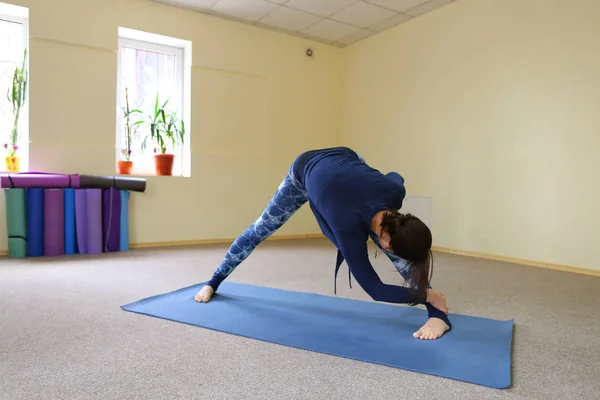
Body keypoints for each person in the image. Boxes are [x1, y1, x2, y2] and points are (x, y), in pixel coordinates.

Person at [194, 146, 451, 340]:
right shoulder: (347, 229)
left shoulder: (394, 192)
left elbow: (396, 175)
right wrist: (425, 293)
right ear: (386, 243)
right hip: (304, 171)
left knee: (390, 237)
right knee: (260, 228)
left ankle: (438, 315)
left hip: (346, 161)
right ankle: (213, 281)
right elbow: (376, 290)